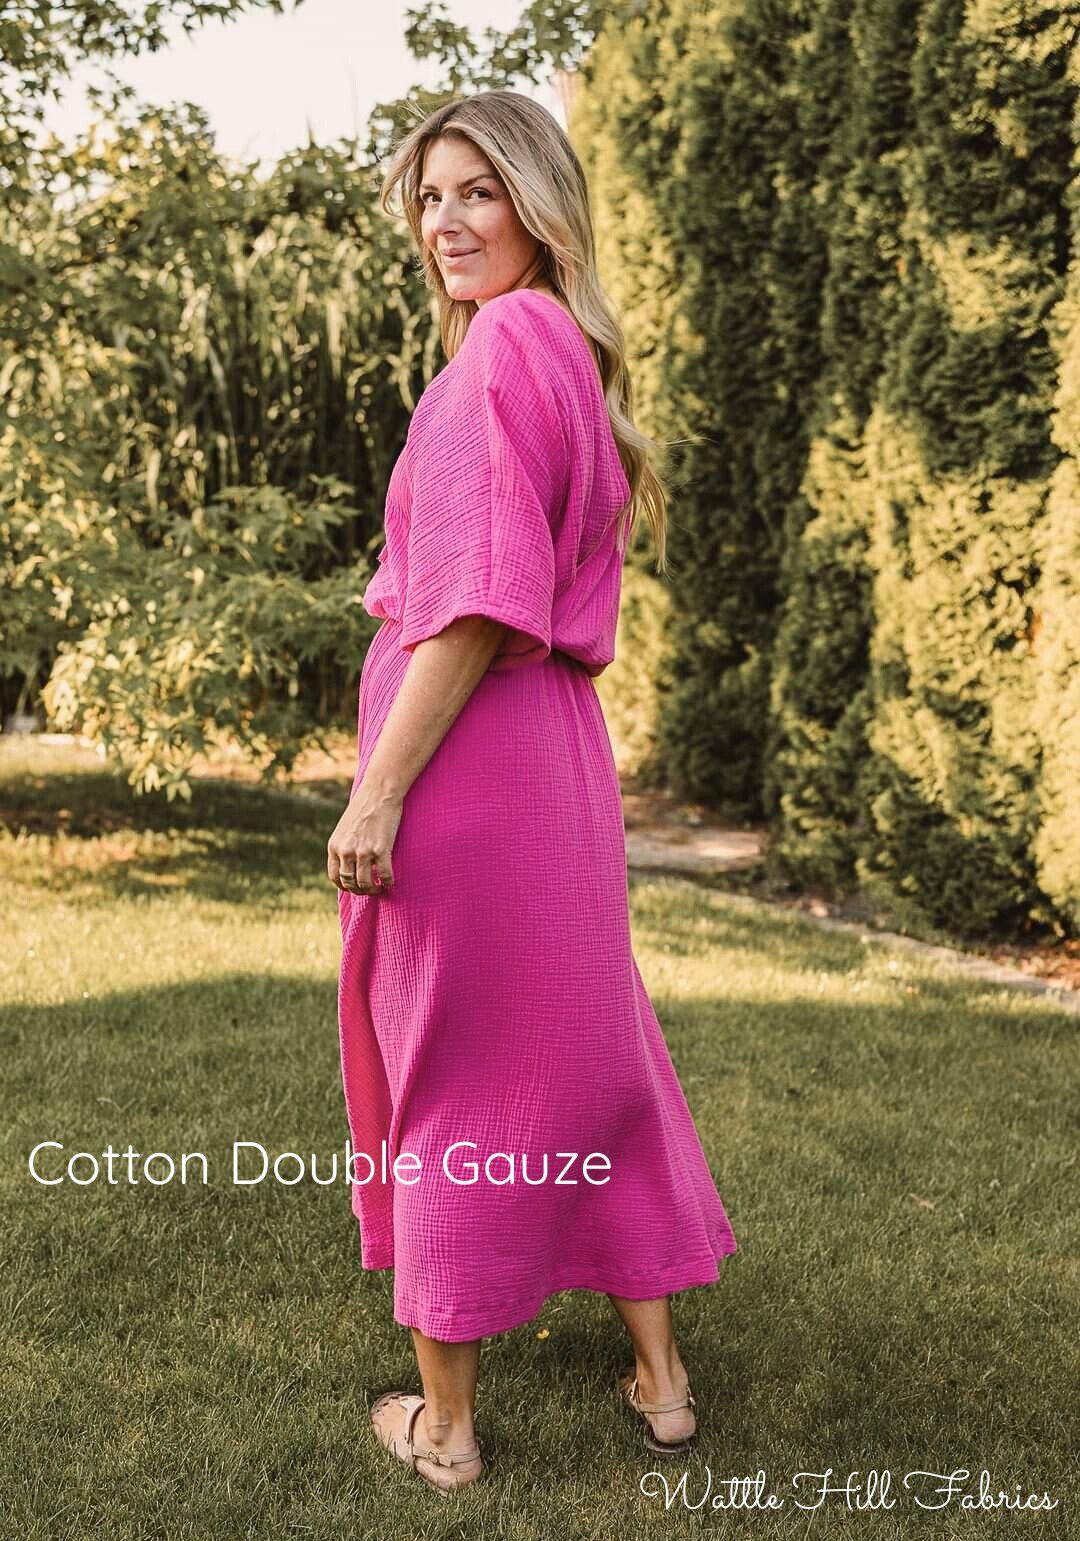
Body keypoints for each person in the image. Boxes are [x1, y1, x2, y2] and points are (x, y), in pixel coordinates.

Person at [327, 89, 737, 1496]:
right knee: (593, 1049)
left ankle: (445, 1428)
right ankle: (664, 1383)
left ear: (540, 205)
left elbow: (478, 604)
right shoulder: (562, 346)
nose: (445, 222)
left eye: (478, 192)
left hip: (469, 762)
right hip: (556, 758)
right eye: (431, 197)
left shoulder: (499, 351)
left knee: (453, 1070)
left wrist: (377, 793)